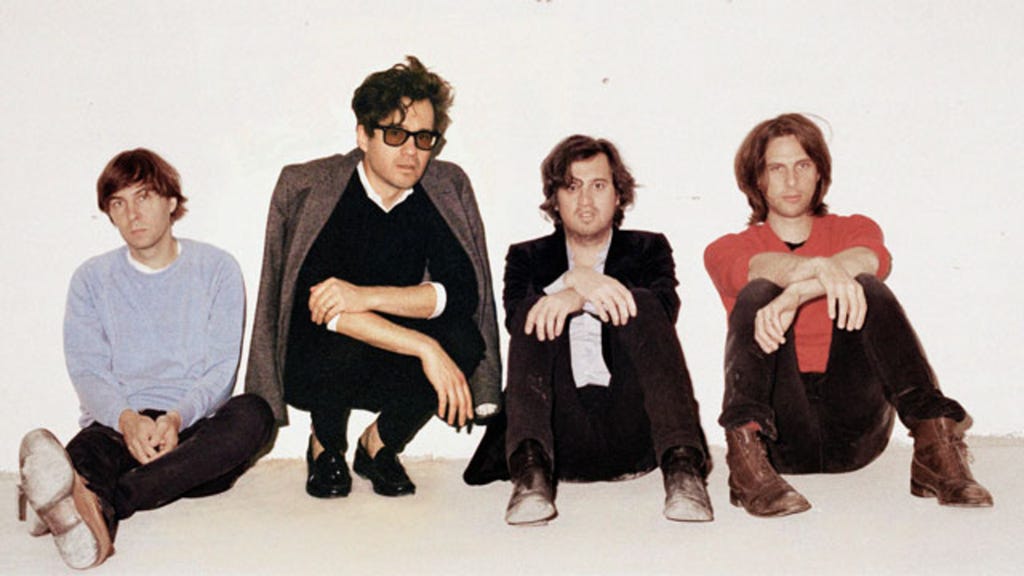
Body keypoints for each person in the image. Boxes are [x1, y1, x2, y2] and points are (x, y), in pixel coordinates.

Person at [704, 113, 993, 517]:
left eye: (802, 165)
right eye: (777, 168)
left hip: (855, 432)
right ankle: (745, 464)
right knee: (759, 291)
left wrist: (798, 293)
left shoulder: (853, 228)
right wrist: (819, 270)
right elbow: (757, 268)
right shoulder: (727, 248)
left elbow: (870, 260)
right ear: (757, 179)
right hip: (776, 439)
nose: (791, 180)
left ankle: (934, 447)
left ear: (819, 173)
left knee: (867, 286)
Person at [246, 56, 501, 499]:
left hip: (391, 361)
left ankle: (378, 444)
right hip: (321, 358)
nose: (411, 152)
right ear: (363, 135)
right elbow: (320, 308)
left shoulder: (442, 189)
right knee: (335, 336)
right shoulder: (316, 187)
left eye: (424, 138)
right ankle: (325, 444)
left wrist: (365, 296)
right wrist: (425, 347)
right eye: (395, 134)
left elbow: (460, 293)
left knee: (463, 338)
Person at [17, 148, 275, 569]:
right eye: (118, 203)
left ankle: (91, 501)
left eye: (144, 197)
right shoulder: (91, 279)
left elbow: (221, 369)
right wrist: (126, 420)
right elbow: (87, 370)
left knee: (255, 414)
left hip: (193, 433)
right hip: (119, 427)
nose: (132, 214)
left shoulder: (217, 268)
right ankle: (80, 497)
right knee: (89, 451)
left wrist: (176, 418)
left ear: (171, 202)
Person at [496, 135, 712, 525]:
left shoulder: (649, 248)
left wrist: (583, 293)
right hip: (556, 432)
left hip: (635, 427)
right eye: (571, 186)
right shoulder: (526, 256)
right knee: (532, 309)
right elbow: (515, 321)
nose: (585, 200)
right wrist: (571, 280)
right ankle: (530, 477)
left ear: (618, 194)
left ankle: (683, 471)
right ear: (554, 198)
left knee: (644, 301)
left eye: (598, 185)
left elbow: (664, 311)